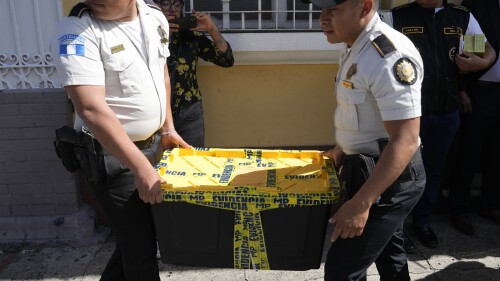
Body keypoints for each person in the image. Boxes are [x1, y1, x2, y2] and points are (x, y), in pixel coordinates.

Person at [51, 0, 190, 280]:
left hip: (153, 148)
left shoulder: (154, 18)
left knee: (137, 240)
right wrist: (141, 168)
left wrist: (167, 128)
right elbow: (90, 108)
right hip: (111, 158)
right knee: (140, 252)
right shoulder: (76, 31)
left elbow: (161, 73)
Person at [304, 0, 425, 279]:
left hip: (389, 181)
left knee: (342, 270)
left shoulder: (388, 56)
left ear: (364, 6)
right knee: (391, 258)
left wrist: (361, 203)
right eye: (321, 10)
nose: (322, 18)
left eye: (332, 10)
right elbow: (366, 115)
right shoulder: (354, 45)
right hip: (368, 170)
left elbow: (405, 140)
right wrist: (341, 149)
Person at [389, 0, 495, 249]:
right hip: (409, 114)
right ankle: (395, 229)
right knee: (400, 173)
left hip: (446, 112)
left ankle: (422, 222)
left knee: (433, 171)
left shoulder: (459, 19)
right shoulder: (399, 18)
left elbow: (484, 49)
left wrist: (482, 63)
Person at [448, 0, 500, 235]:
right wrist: (462, 89)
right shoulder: (477, 6)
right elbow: (469, 54)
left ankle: (490, 205)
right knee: (470, 152)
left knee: (496, 154)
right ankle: (458, 209)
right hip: (481, 91)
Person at [152, 0, 234, 147]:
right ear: (154, 6)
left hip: (189, 112)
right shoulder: (146, 36)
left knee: (192, 161)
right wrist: (163, 34)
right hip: (155, 114)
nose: (172, 9)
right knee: (157, 166)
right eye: (166, 3)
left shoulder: (191, 36)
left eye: (177, 5)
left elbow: (226, 60)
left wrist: (211, 28)